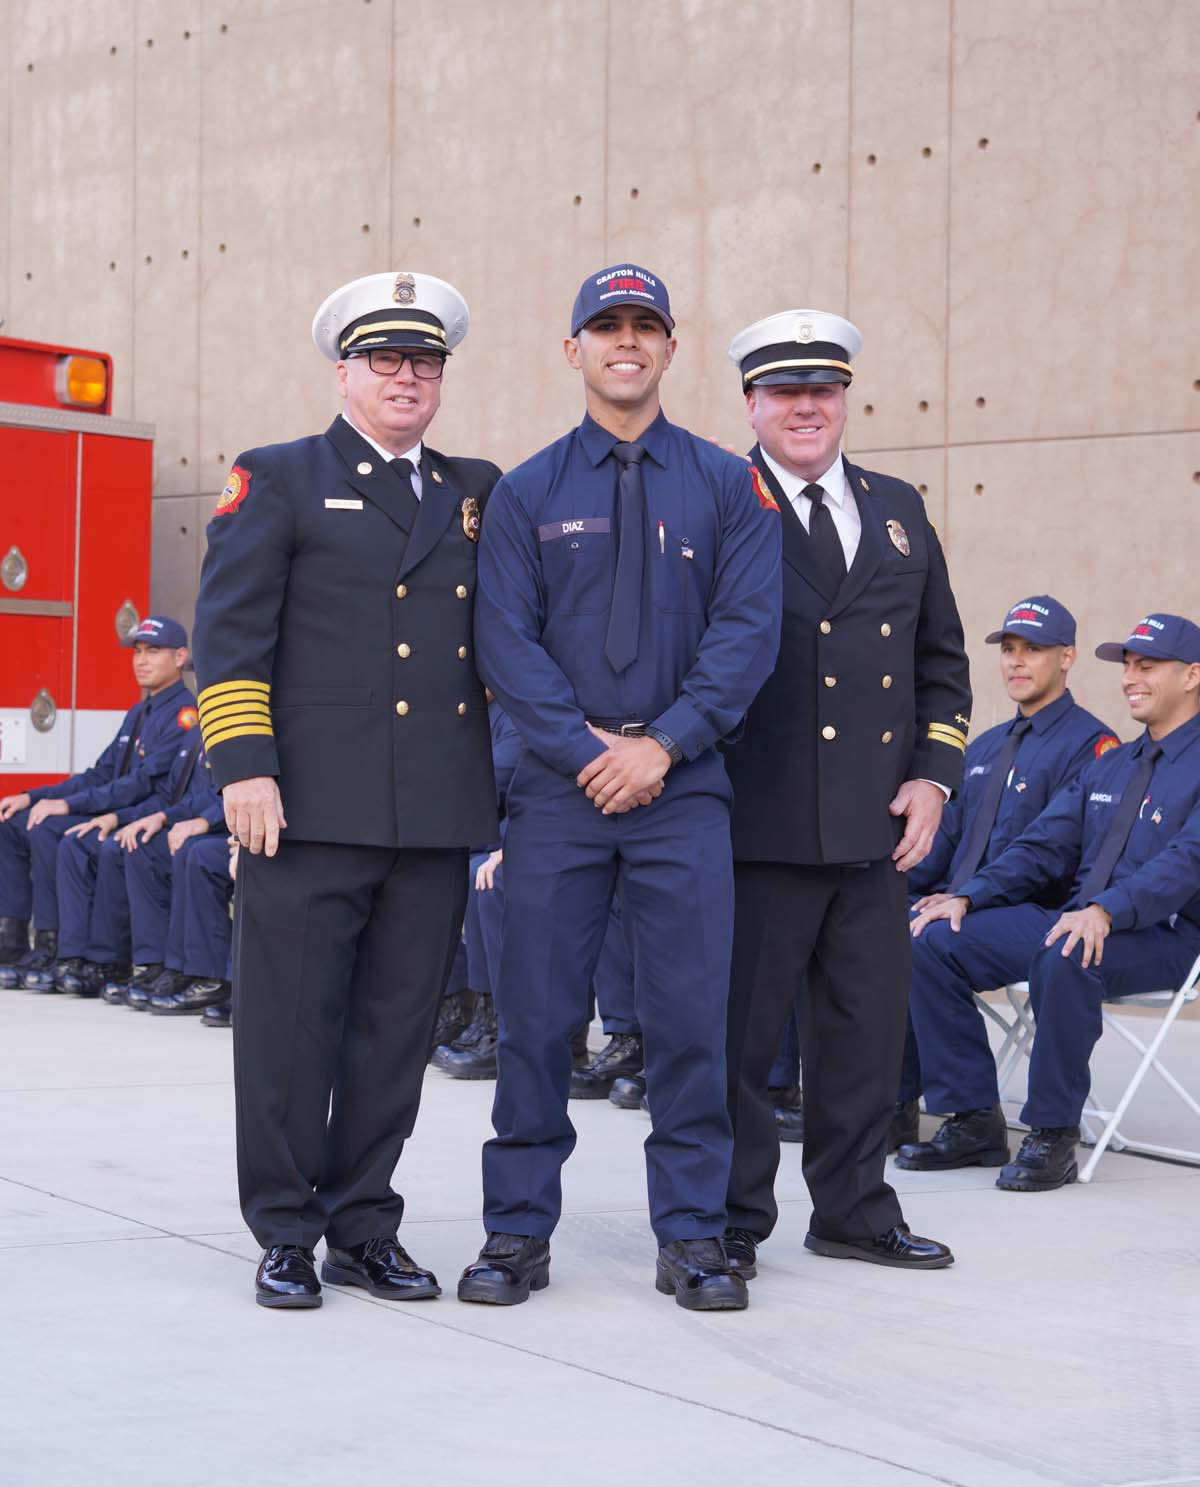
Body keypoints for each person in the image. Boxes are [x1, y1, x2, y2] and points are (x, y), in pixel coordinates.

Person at [464, 263, 782, 1312]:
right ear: (574, 350)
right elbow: (503, 642)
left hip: (684, 790)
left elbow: (748, 633)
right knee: (538, 1018)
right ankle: (516, 1230)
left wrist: (666, 745)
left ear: (671, 349)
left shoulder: (729, 485)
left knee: (690, 1020)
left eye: (646, 326)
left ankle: (692, 1235)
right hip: (561, 794)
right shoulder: (527, 490)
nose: (627, 341)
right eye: (607, 326)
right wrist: (587, 750)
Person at [192, 271, 500, 1309]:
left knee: (397, 1030)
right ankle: (284, 1229)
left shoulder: (477, 490)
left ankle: (363, 1222)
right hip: (306, 809)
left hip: (433, 811)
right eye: (386, 358)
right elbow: (230, 639)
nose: (407, 375)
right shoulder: (275, 477)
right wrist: (245, 768)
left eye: (425, 360)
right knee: (289, 1029)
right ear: (345, 371)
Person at [720, 308, 971, 1278]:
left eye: (822, 389)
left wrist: (936, 775)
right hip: (756, 823)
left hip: (875, 828)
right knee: (741, 1043)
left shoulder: (899, 506)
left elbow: (942, 663)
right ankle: (734, 1216)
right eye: (785, 391)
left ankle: (855, 1209)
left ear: (845, 398)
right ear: (752, 403)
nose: (806, 406)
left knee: (863, 1038)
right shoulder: (720, 500)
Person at [902, 613, 1200, 1190]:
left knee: (1064, 955)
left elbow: (1185, 863)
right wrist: (968, 895)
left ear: (1192, 675)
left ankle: (1053, 1133)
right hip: (1078, 918)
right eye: (1129, 666)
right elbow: (1042, 844)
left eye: (1149, 666)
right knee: (932, 940)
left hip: (1165, 936)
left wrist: (1108, 909)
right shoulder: (1113, 765)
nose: (1131, 678)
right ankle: (972, 1118)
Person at [893, 595, 1118, 1158]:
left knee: (929, 943)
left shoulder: (1094, 746)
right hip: (970, 905)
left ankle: (972, 1118)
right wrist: (890, 890)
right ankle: (894, 1106)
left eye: (1034, 650)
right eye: (1010, 650)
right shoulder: (988, 745)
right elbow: (944, 840)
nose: (1017, 662)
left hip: (1040, 915)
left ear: (1067, 658)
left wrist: (966, 897)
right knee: (878, 927)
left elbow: (1048, 853)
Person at [0, 617, 195, 989]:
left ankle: (68, 954)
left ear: (180, 656)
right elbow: (101, 773)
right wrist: (35, 796)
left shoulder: (184, 716)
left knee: (59, 835)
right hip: (116, 809)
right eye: (137, 652)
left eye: (153, 651)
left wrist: (71, 807)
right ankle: (17, 943)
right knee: (17, 821)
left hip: (144, 817)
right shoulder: (140, 712)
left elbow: (138, 785)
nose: (141, 661)